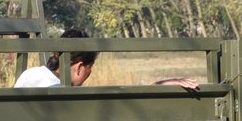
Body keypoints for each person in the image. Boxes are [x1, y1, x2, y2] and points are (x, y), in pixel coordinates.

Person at [14, 28, 198, 89]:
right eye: (90, 67)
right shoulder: (65, 93)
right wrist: (161, 85)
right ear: (79, 67)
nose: (90, 73)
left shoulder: (28, 76)